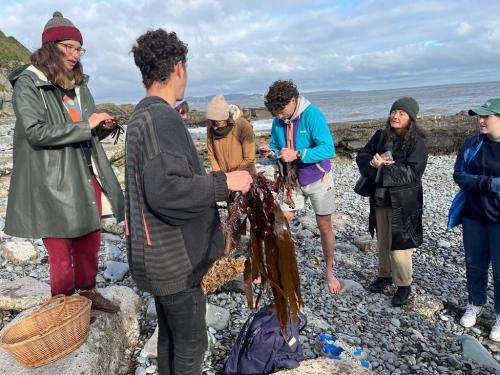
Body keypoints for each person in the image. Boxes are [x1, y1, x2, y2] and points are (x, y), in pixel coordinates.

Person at [127, 29, 252, 374]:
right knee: (192, 345)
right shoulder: (161, 117)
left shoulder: (141, 116)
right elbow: (166, 190)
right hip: (173, 261)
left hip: (154, 255)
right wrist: (225, 182)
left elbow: (151, 183)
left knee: (171, 337)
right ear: (178, 68)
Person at [5, 12, 124, 312]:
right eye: (67, 47)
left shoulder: (79, 85)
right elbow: (35, 132)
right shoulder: (28, 83)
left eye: (78, 48)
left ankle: (89, 292)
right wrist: (87, 125)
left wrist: (101, 126)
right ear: (50, 47)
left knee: (90, 238)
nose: (74, 54)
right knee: (60, 249)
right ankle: (63, 304)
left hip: (85, 170)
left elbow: (85, 122)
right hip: (50, 178)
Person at [261, 80, 339, 295]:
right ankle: (272, 267)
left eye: (281, 110)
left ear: (294, 101)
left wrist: (298, 154)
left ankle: (329, 271)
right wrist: (272, 152)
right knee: (280, 222)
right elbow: (277, 146)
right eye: (274, 111)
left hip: (318, 179)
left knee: (324, 226)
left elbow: (328, 149)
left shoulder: (313, 115)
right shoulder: (278, 120)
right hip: (291, 181)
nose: (278, 116)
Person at [356, 97, 427, 307]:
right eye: (394, 111)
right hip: (380, 198)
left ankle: (404, 285)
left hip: (404, 203)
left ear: (411, 118)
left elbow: (413, 173)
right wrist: (372, 162)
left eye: (401, 113)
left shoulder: (417, 143)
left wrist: (383, 167)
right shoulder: (380, 136)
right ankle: (384, 275)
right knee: (383, 240)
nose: (395, 116)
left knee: (400, 246)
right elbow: (363, 156)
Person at [453, 99, 500, 341]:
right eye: (478, 116)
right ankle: (475, 302)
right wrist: (490, 183)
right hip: (473, 213)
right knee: (474, 263)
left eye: (486, 116)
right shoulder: (472, 143)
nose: (480, 121)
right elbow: (459, 175)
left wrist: (478, 181)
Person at [206, 94, 256, 175]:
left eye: (218, 121)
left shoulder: (243, 125)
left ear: (226, 116)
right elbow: (211, 155)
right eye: (212, 121)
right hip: (225, 177)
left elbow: (249, 158)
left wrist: (235, 176)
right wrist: (221, 176)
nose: (215, 124)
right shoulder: (211, 128)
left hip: (244, 176)